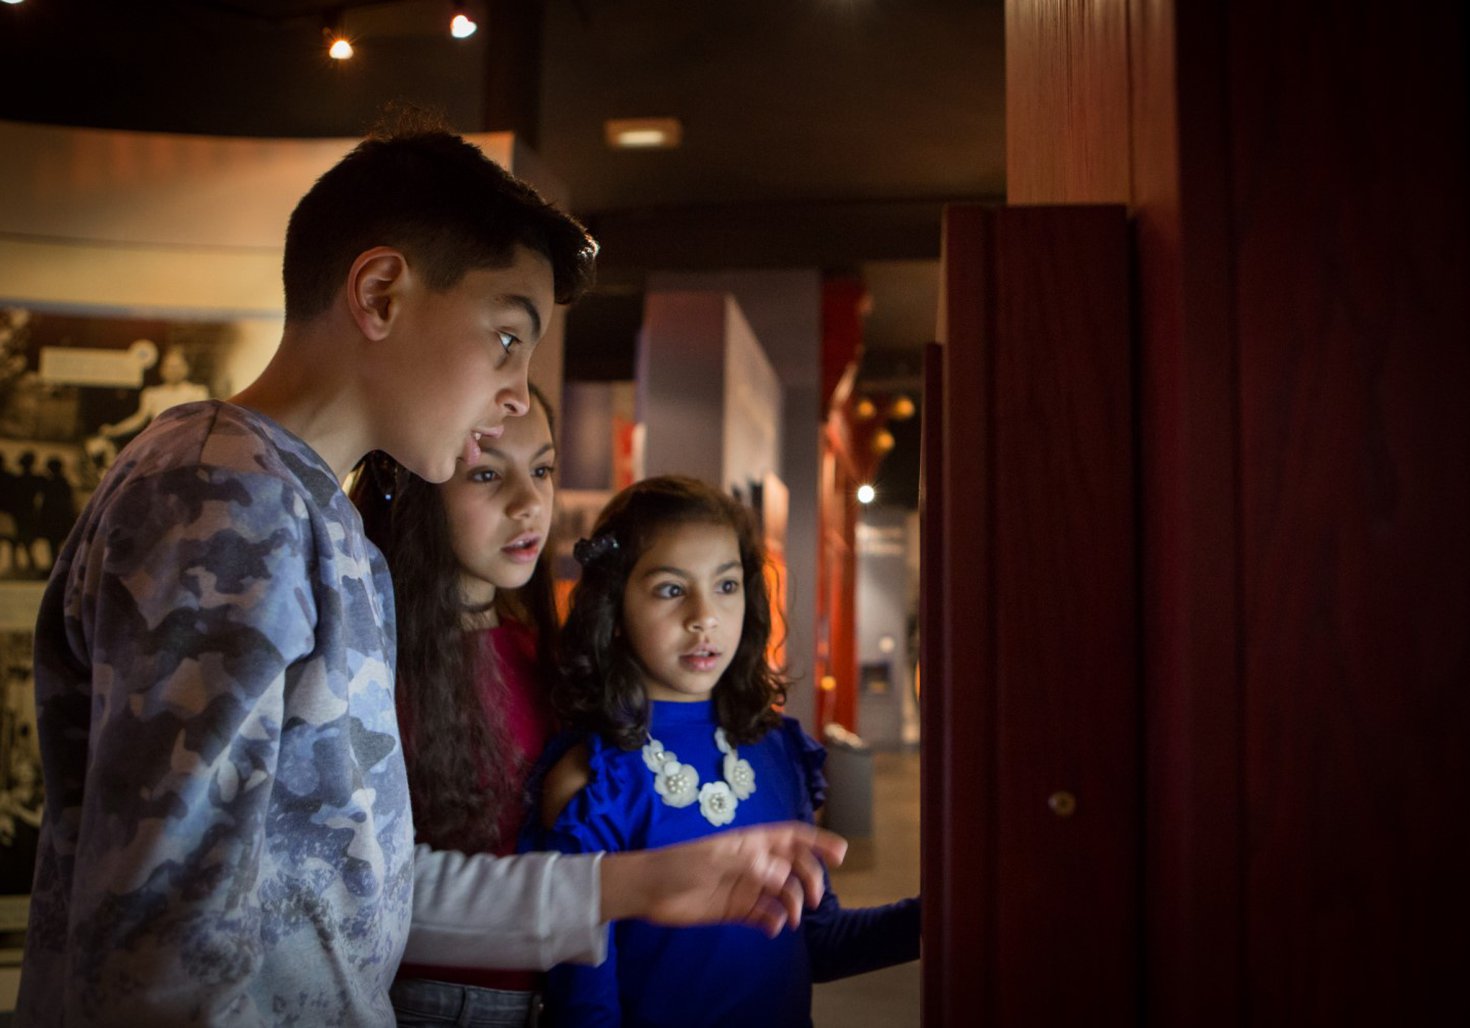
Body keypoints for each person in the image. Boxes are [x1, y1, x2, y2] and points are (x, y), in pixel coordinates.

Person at [16, 117, 843, 1027]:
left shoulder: (312, 519)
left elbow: (363, 885)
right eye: (505, 339)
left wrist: (631, 883)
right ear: (379, 293)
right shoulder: (220, 492)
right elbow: (162, 940)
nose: (518, 392)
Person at [528, 475, 919, 1027]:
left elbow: (820, 942)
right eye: (670, 588)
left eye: (726, 585)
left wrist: (944, 917)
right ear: (613, 604)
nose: (704, 616)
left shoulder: (779, 750)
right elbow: (585, 1010)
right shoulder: (592, 783)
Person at [350, 385, 565, 1025]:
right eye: (487, 474)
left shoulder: (539, 648)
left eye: (544, 469)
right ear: (422, 487)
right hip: (427, 1000)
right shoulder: (373, 665)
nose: (529, 502)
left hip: (552, 993)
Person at [96, 344, 211, 443]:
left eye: (177, 366)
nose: (173, 370)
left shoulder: (198, 392)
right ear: (162, 369)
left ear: (186, 368)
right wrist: (115, 430)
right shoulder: (151, 394)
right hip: (159, 447)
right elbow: (138, 419)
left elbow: (204, 422)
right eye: (169, 366)